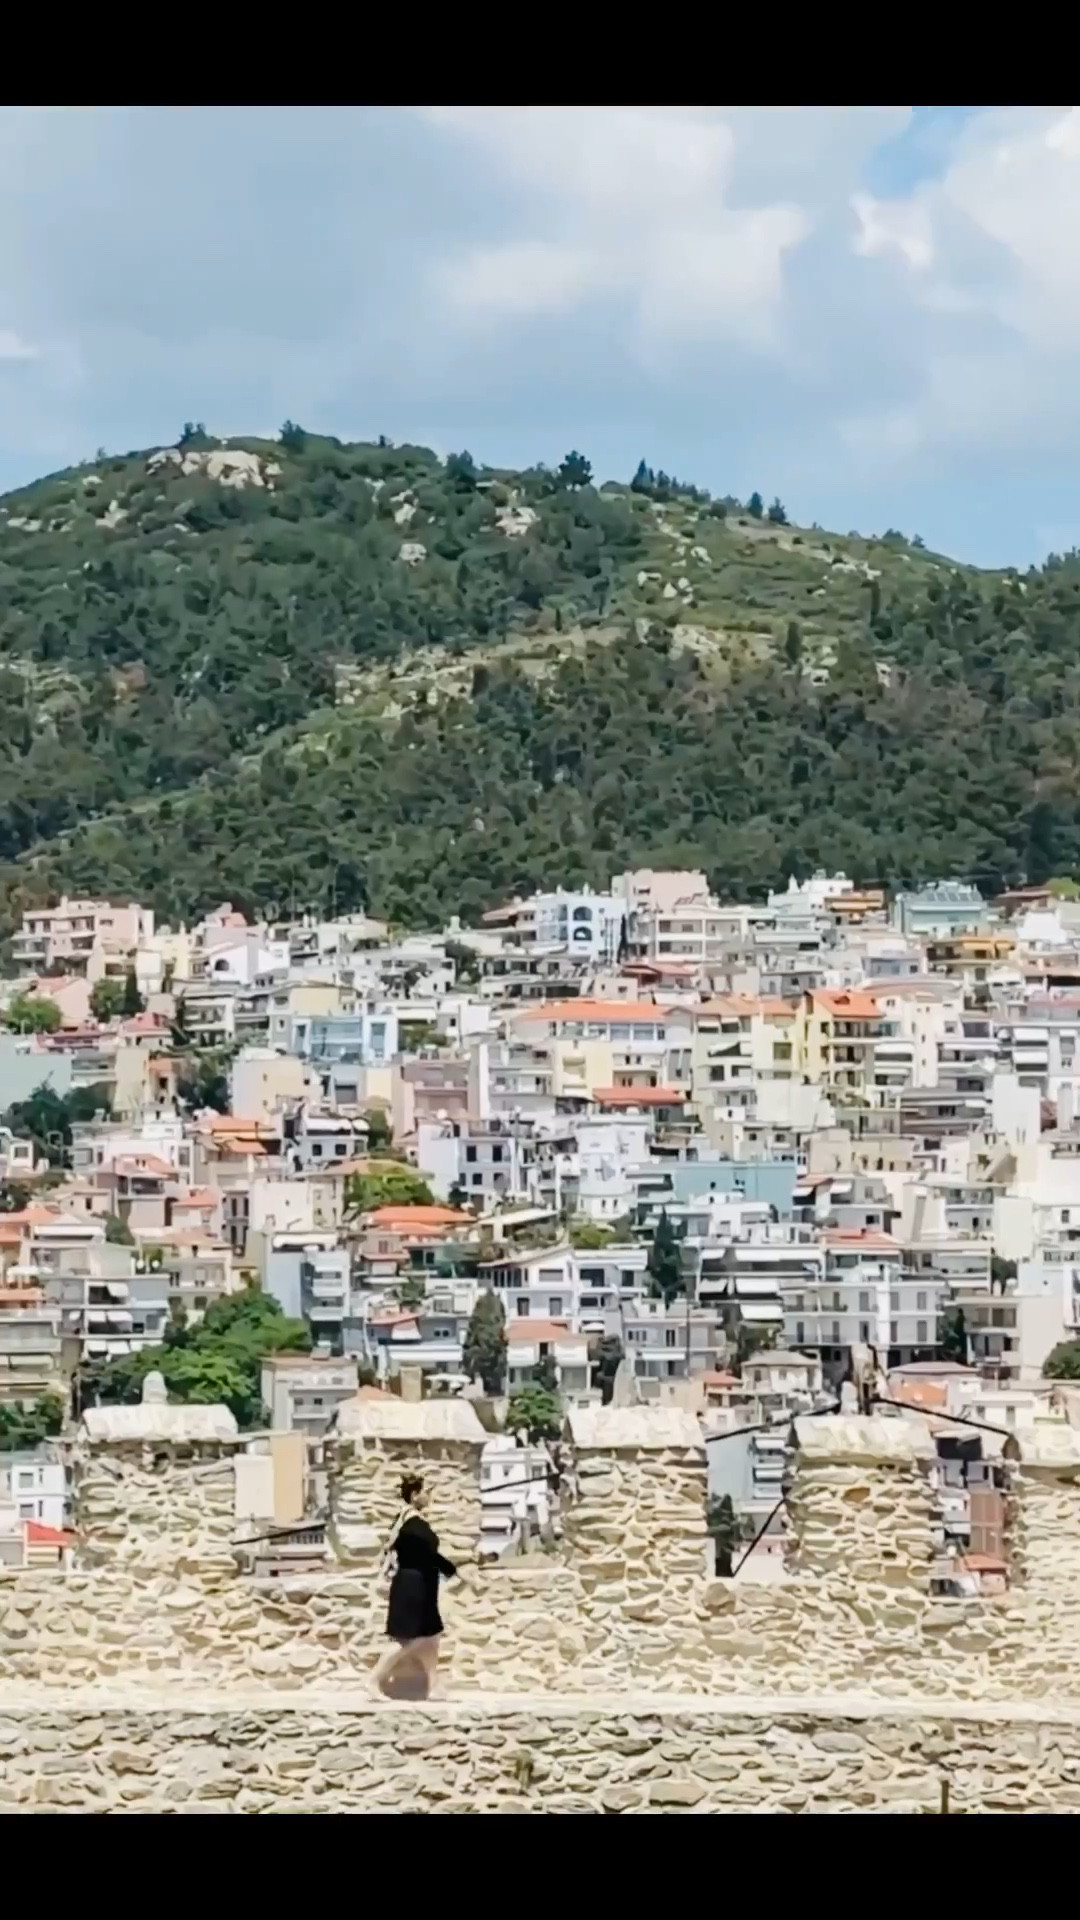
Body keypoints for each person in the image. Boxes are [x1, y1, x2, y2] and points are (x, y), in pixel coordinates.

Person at [370, 1473, 461, 1699]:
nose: (429, 1496)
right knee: (405, 1639)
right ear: (414, 1495)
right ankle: (373, 1681)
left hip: (421, 1585)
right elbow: (429, 1555)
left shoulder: (411, 1522)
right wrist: (455, 1572)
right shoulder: (413, 1525)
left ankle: (433, 1685)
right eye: (425, 1492)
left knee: (431, 1637)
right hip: (413, 1588)